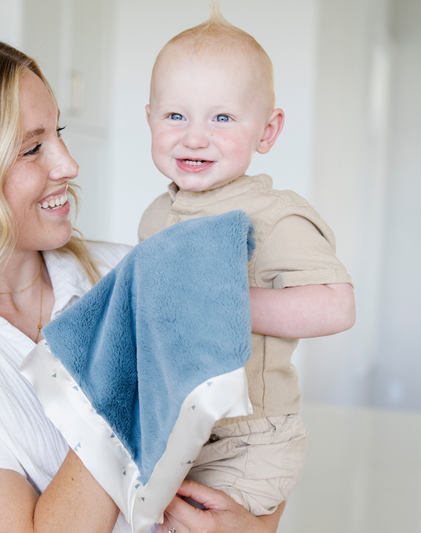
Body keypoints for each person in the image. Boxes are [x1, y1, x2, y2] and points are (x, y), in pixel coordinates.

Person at [0, 37, 286, 533]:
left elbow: (256, 432)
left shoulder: (128, 268)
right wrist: (132, 349)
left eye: (58, 132)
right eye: (33, 148)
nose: (69, 165)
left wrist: (254, 526)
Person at [138, 7, 356, 519]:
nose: (194, 136)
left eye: (222, 117)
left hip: (251, 437)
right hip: (179, 426)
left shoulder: (273, 215)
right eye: (175, 116)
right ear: (148, 117)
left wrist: (222, 302)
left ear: (267, 131)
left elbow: (336, 307)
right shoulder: (156, 216)